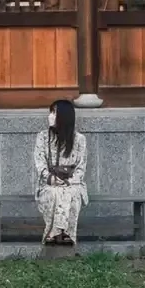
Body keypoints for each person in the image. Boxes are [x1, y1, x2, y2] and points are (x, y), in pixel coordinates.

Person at [34, 98, 88, 246]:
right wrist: (50, 177)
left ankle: (66, 233)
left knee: (71, 193)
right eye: (50, 112)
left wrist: (69, 181)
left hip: (72, 182)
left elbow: (81, 167)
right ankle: (54, 232)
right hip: (49, 182)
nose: (50, 116)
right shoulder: (42, 137)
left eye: (54, 113)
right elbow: (39, 162)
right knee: (53, 193)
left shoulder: (79, 140)